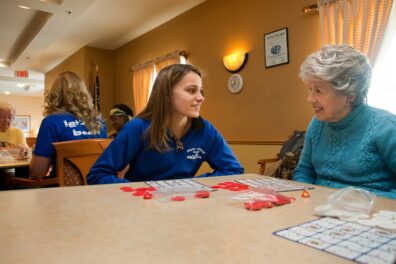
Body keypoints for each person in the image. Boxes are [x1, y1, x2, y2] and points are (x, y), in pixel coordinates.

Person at [87, 64, 244, 184]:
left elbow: (233, 169)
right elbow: (98, 174)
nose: (201, 98)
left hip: (185, 205)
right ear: (167, 94)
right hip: (143, 208)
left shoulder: (205, 129)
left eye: (201, 91)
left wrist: (192, 184)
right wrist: (141, 190)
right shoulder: (138, 127)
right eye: (191, 90)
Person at [293, 45, 396, 199]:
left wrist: (366, 202)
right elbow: (304, 171)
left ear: (350, 95)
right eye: (310, 89)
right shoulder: (317, 123)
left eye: (319, 91)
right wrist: (306, 197)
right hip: (320, 210)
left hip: (370, 214)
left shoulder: (386, 126)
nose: (310, 99)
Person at [30, 71, 107, 180]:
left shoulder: (51, 122)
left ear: (54, 95)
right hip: (97, 188)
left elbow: (37, 173)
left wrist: (36, 150)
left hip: (63, 192)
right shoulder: (99, 122)